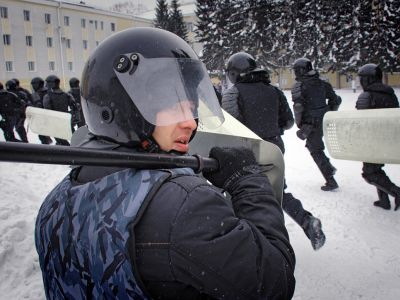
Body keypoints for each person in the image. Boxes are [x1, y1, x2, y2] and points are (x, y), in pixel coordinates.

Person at [34, 28, 296, 300]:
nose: (190, 122)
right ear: (125, 110)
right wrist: (248, 182)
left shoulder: (54, 202)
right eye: (172, 105)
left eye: (191, 107)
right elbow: (275, 283)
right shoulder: (186, 205)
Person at [222, 51, 326, 250]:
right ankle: (306, 221)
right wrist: (270, 128)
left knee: (242, 196)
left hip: (247, 151)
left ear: (235, 73)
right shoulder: (274, 91)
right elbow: (287, 122)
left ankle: (250, 242)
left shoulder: (233, 93)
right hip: (274, 149)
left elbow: (230, 127)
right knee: (277, 192)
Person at [291, 58, 342, 191]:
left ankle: (330, 179)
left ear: (301, 71)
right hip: (323, 122)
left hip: (311, 124)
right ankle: (329, 170)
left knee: (316, 150)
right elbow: (336, 101)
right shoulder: (322, 83)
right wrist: (327, 113)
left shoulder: (300, 86)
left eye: (296, 71)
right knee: (315, 148)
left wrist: (302, 125)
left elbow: (298, 108)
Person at [356, 63, 400, 211]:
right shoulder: (390, 94)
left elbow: (360, 121)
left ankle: (397, 192)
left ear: (368, 79)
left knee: (370, 173)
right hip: (387, 140)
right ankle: (384, 200)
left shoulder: (367, 96)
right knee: (376, 170)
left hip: (371, 141)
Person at [43, 75, 78, 146]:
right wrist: (73, 119)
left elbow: (47, 113)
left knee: (65, 143)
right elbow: (75, 107)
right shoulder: (67, 95)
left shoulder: (48, 96)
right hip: (66, 121)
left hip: (57, 124)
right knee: (74, 140)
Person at [31, 77, 53, 144]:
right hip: (51, 116)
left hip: (42, 118)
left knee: (42, 137)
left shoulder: (36, 94)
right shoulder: (49, 91)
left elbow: (37, 106)